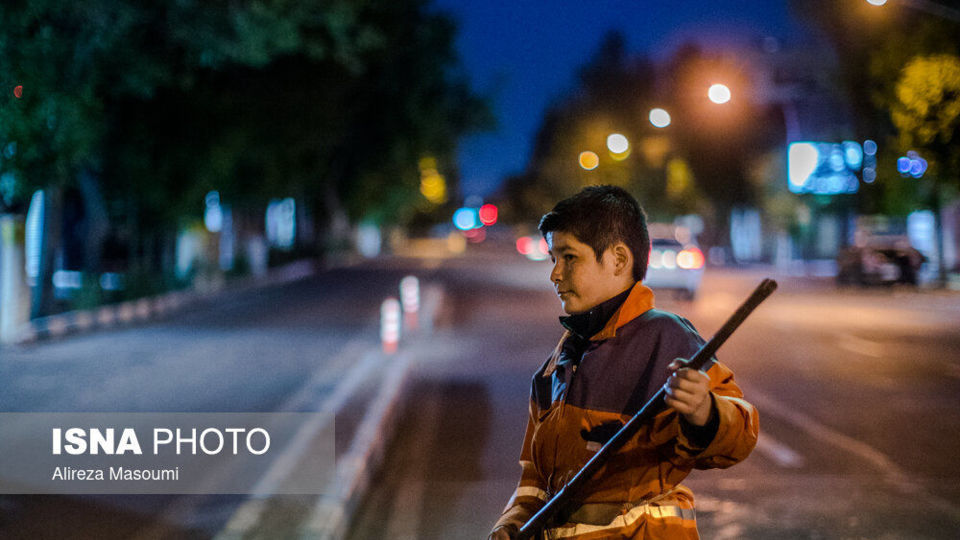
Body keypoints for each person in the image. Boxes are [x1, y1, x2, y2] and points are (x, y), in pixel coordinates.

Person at [488, 185, 759, 540]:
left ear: (618, 260)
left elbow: (741, 435)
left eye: (570, 257)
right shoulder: (558, 363)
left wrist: (704, 411)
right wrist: (511, 524)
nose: (555, 274)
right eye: (554, 259)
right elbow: (535, 479)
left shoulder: (665, 338)